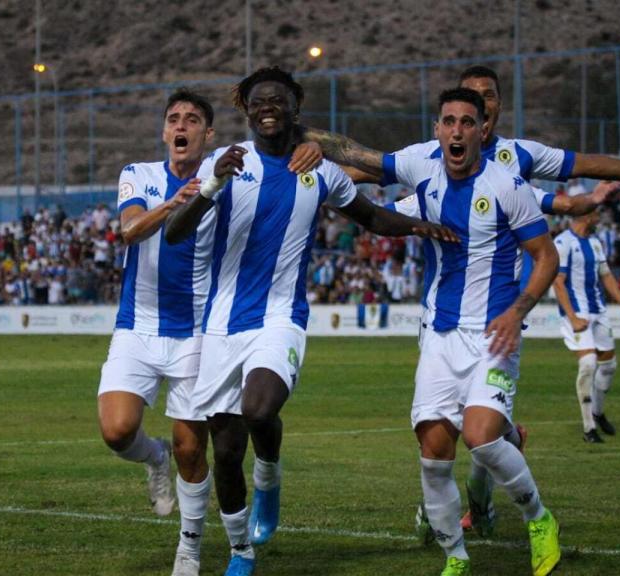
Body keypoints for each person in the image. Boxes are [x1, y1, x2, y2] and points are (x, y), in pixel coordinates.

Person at [303, 63, 620, 535]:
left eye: (489, 96)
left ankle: (479, 507)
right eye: (468, 100)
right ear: (445, 122)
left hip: (496, 316)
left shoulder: (517, 159)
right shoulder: (431, 160)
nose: (478, 106)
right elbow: (370, 169)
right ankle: (472, 498)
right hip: (441, 315)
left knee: (478, 431)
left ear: (492, 110)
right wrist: (316, 173)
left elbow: (579, 164)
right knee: (445, 430)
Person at [165, 66, 454, 576]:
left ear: (295, 109)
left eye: (277, 100)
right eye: (258, 102)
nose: (267, 108)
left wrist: (421, 226)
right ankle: (239, 552)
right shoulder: (227, 162)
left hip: (281, 317)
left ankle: (270, 476)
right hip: (221, 325)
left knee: (259, 411)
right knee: (226, 452)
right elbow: (174, 233)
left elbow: (372, 217)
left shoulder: (317, 169)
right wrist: (211, 183)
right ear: (247, 111)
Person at [95, 89, 325, 576]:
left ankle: (190, 551)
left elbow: (285, 154)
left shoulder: (230, 174)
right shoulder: (138, 175)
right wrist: (180, 202)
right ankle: (150, 455)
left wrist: (314, 148)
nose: (181, 126)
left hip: (199, 333)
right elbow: (130, 230)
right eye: (174, 119)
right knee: (116, 431)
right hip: (136, 326)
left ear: (209, 136)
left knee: (192, 449)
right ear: (164, 132)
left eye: (193, 120)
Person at [373, 87, 562, 576]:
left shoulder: (507, 184)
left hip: (494, 335)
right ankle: (456, 557)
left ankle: (539, 520)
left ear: (482, 131)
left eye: (466, 122)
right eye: (448, 121)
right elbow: (369, 178)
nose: (457, 130)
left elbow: (546, 256)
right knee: (434, 453)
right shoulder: (424, 176)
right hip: (439, 335)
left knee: (481, 437)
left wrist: (517, 311)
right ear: (437, 130)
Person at [551, 207, 620, 443]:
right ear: (586, 216)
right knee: (588, 364)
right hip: (577, 313)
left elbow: (606, 275)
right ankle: (589, 428)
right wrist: (572, 317)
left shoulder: (596, 242)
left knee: (608, 366)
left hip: (598, 311)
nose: (599, 218)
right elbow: (558, 282)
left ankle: (598, 412)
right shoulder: (563, 242)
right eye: (597, 215)